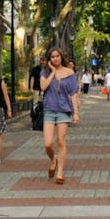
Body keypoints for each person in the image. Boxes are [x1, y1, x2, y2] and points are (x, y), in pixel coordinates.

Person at [39, 47, 80, 184]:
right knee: (48, 143)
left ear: (61, 57)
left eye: (57, 56)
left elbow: (73, 93)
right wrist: (53, 72)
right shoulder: (45, 71)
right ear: (49, 59)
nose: (55, 58)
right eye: (52, 57)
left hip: (64, 110)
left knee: (61, 141)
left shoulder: (69, 73)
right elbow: (43, 87)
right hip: (49, 110)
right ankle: (53, 160)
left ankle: (60, 172)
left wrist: (76, 113)